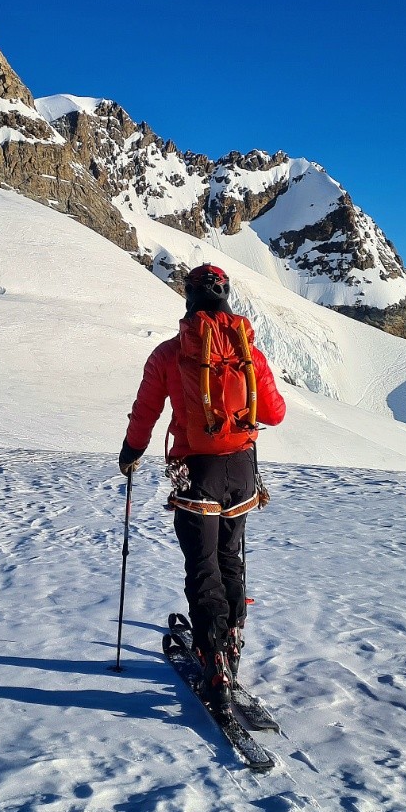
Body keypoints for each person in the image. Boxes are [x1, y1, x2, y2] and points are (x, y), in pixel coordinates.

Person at [119, 262, 286, 716]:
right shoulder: (248, 352)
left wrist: (130, 451)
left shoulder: (170, 354)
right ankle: (231, 641)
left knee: (202, 563)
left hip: (196, 472)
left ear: (189, 298)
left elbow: (146, 412)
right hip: (242, 470)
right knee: (230, 556)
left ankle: (212, 658)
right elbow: (274, 413)